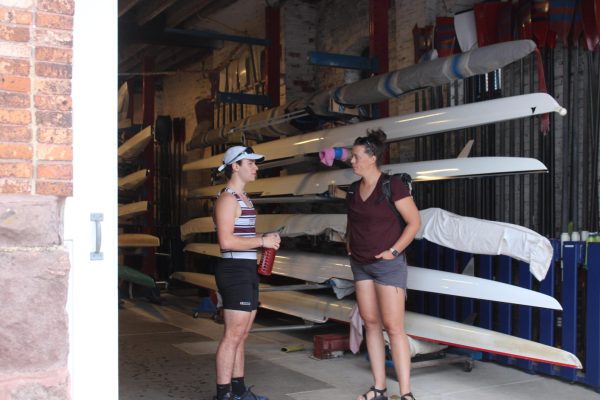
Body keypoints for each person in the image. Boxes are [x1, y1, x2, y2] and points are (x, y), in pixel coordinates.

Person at [345, 130, 421, 400]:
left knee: (394, 327)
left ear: (372, 158)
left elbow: (414, 223)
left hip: (388, 265)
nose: (352, 161)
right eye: (352, 157)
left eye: (356, 157)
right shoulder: (353, 190)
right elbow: (353, 222)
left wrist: (393, 251)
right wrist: (349, 243)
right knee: (371, 323)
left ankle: (406, 393)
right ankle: (379, 388)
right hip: (361, 264)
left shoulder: (393, 185)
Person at [212, 145, 281, 400]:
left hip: (246, 268)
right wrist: (262, 241)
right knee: (232, 335)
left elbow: (244, 236)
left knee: (241, 334)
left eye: (255, 163)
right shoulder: (227, 199)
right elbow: (226, 241)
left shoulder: (245, 199)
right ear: (235, 167)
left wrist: (265, 238)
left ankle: (239, 390)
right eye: (250, 163)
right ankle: (223, 395)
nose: (255, 167)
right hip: (233, 270)